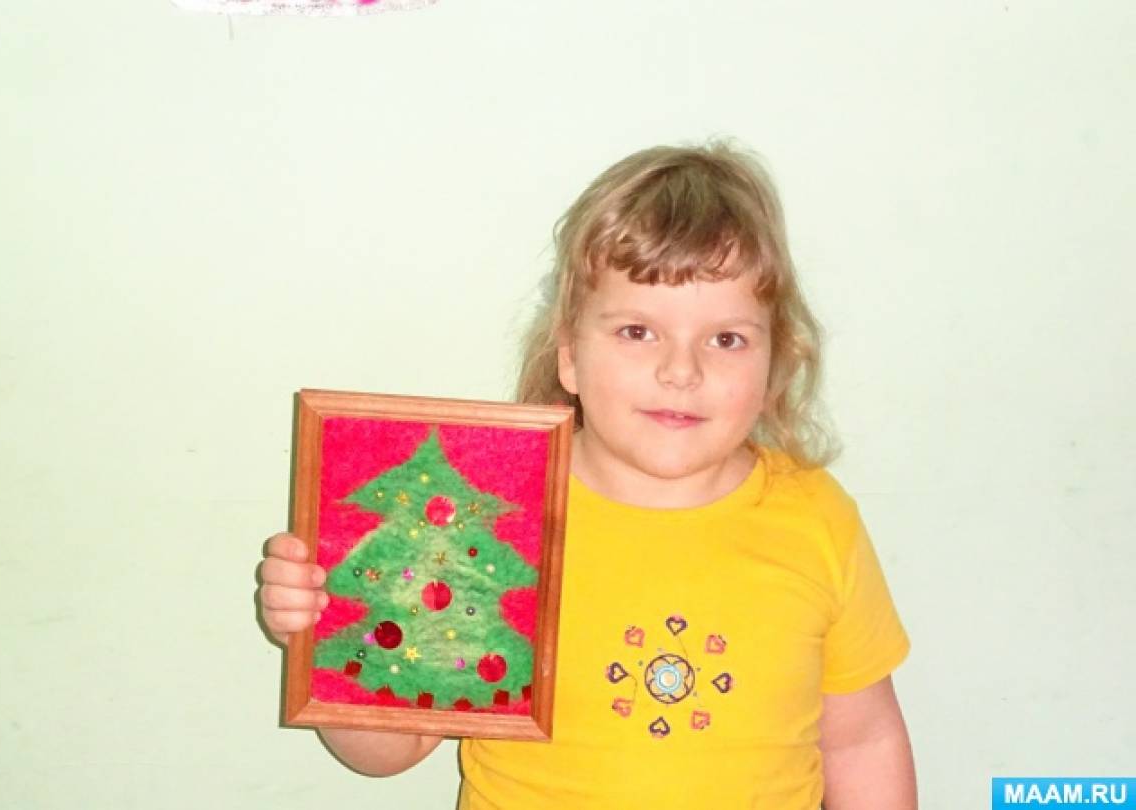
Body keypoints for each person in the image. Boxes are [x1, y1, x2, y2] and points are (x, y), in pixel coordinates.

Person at [257, 139, 916, 809]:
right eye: (637, 331)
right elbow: (388, 751)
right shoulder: (496, 516)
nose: (681, 370)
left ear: (775, 360)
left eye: (726, 339)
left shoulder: (815, 516)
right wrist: (316, 631)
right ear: (569, 355)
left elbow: (862, 742)